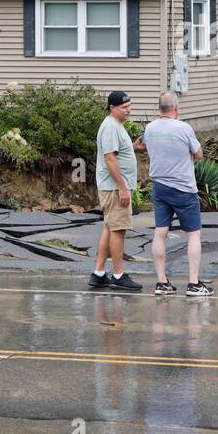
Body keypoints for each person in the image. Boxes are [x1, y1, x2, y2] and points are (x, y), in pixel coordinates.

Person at [143, 91, 211, 297]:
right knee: (193, 234)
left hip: (160, 186)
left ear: (159, 109)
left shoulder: (150, 128)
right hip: (183, 188)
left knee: (160, 231)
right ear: (176, 109)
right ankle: (193, 283)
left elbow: (147, 147)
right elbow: (198, 154)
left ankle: (162, 283)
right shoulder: (184, 128)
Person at [89, 90, 142, 291]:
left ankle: (99, 273)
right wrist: (122, 188)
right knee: (118, 230)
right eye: (124, 107)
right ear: (113, 108)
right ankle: (118, 275)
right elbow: (110, 158)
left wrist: (133, 147)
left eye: (129, 106)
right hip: (114, 188)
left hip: (112, 187)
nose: (128, 110)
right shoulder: (111, 126)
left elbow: (117, 152)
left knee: (110, 227)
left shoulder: (115, 126)